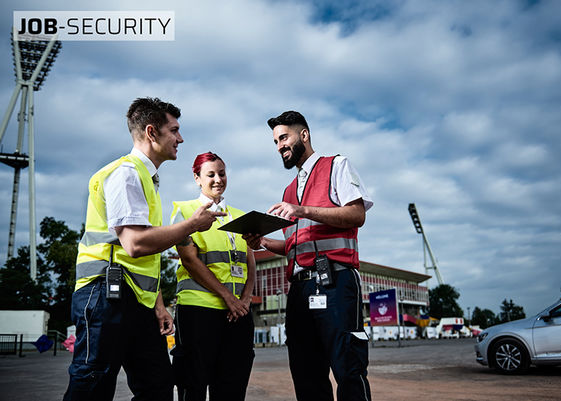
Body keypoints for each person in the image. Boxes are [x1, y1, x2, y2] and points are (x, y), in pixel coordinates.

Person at [64, 98, 225, 401]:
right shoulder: (126, 174)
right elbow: (135, 244)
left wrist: (158, 305)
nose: (180, 138)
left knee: (158, 386)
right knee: (93, 382)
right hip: (105, 295)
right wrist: (191, 225)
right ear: (152, 132)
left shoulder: (147, 180)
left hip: (136, 300)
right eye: (174, 130)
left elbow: (147, 255)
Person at [244, 111, 373, 401]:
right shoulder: (289, 189)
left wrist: (302, 210)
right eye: (276, 141)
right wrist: (262, 241)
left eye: (284, 137)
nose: (279, 146)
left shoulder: (336, 166)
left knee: (348, 369)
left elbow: (357, 214)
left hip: (336, 283)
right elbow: (293, 245)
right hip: (299, 290)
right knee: (306, 374)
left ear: (304, 135)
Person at [170, 152, 256, 401]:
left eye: (222, 173)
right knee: (194, 383)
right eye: (210, 175)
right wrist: (229, 297)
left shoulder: (241, 216)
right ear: (197, 178)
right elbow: (190, 260)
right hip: (199, 311)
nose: (218, 179)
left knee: (233, 385)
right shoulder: (185, 211)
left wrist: (245, 300)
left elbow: (250, 262)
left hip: (237, 313)